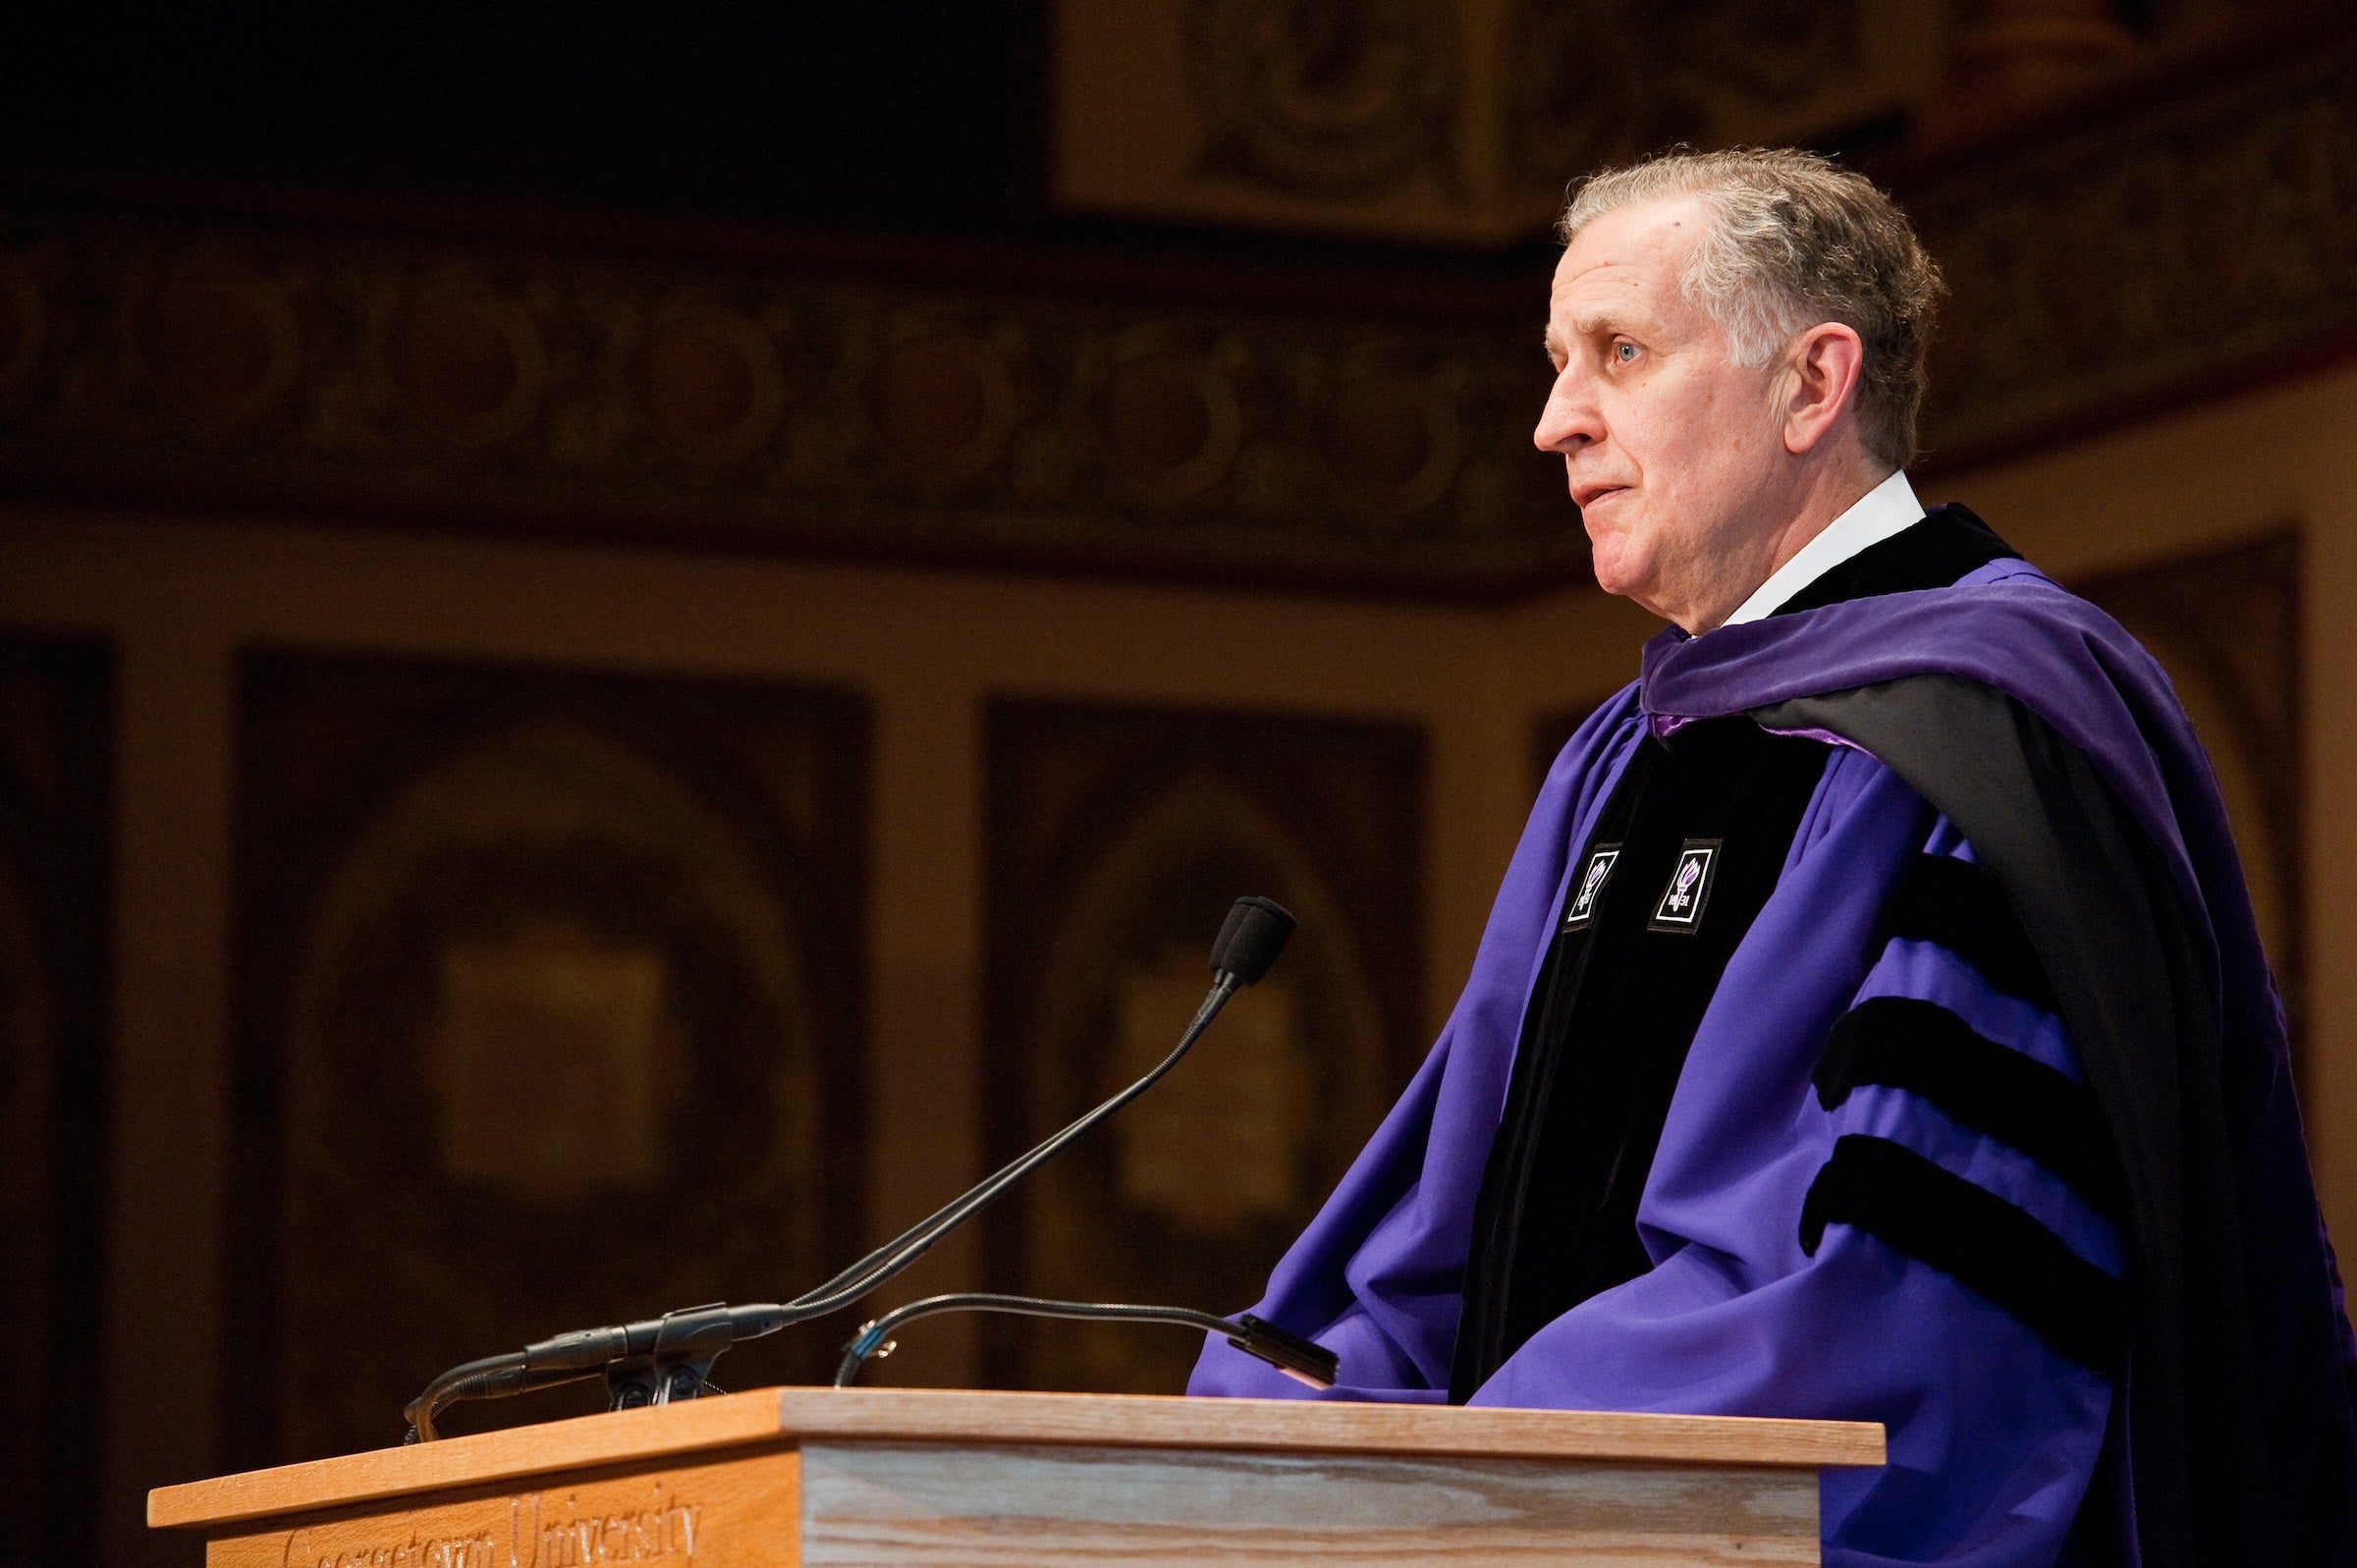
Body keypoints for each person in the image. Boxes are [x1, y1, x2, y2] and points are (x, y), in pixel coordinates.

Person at [1187, 148, 2357, 1566]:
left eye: (1619, 352)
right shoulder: (1629, 751)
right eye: (1557, 363)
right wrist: (1290, 1411)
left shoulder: (1986, 728)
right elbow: (1456, 1201)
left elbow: (1906, 1294)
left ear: (1814, 384)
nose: (1556, 421)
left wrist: (1482, 1476)